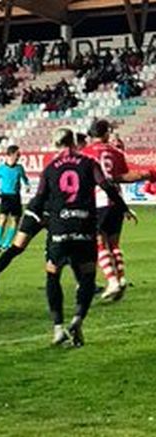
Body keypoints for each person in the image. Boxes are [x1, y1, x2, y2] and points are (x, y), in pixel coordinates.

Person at [27, 128, 134, 347]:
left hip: (59, 229)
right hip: (84, 228)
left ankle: (57, 328)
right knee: (86, 277)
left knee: (52, 275)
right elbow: (107, 187)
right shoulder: (89, 163)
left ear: (56, 144)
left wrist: (31, 219)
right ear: (74, 142)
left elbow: (38, 200)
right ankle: (78, 319)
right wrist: (124, 208)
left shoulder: (49, 169)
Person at [0, 133, 88, 300]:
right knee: (65, 245)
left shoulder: (59, 164)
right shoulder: (70, 165)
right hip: (44, 211)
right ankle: (81, 284)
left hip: (37, 209)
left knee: (21, 248)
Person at [80, 119, 156, 301]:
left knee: (99, 243)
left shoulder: (84, 154)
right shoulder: (115, 152)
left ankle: (112, 281)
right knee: (114, 244)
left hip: (97, 202)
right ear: (106, 133)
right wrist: (149, 174)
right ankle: (121, 279)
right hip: (116, 202)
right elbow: (124, 176)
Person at [0, 145, 30, 253]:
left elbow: (25, 179)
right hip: (5, 196)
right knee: (2, 219)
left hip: (16, 197)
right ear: (10, 155)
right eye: (17, 154)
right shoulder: (1, 168)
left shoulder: (19, 168)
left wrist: (27, 185)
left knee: (15, 220)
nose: (19, 157)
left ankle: (6, 244)